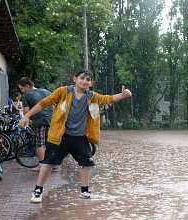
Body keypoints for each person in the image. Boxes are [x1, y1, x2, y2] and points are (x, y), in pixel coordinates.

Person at [19, 69, 132, 203]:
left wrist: (122, 95)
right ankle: (38, 190)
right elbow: (44, 103)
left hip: (80, 137)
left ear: (91, 83)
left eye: (88, 79)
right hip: (60, 136)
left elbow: (107, 99)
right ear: (74, 79)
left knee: (87, 163)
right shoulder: (63, 92)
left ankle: (85, 191)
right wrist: (27, 116)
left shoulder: (91, 96)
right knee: (48, 163)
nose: (84, 81)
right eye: (82, 78)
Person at [17, 77, 53, 164]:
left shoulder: (26, 95)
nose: (22, 91)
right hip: (52, 119)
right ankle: (52, 164)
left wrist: (25, 121)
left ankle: (42, 164)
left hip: (39, 121)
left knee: (39, 143)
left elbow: (26, 112)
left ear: (27, 86)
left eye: (22, 88)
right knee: (50, 142)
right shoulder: (46, 91)